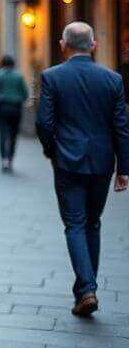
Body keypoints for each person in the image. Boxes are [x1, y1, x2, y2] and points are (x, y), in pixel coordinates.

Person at [36, 21, 129, 317]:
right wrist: (124, 168)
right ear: (93, 45)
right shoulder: (113, 80)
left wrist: (52, 151)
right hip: (102, 162)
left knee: (75, 224)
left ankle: (87, 289)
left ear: (63, 45)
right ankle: (85, 290)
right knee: (93, 223)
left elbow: (44, 123)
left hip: (67, 162)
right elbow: (122, 127)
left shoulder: (52, 76)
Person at [0, 54, 28, 173]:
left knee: (3, 133)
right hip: (16, 107)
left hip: (2, 107)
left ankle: (3, 160)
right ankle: (10, 159)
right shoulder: (18, 75)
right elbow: (25, 93)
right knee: (13, 134)